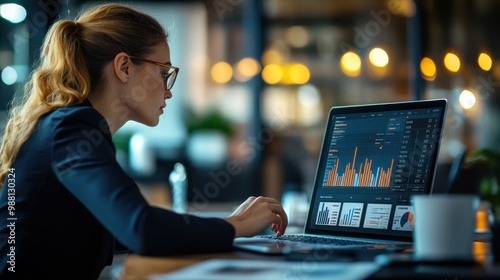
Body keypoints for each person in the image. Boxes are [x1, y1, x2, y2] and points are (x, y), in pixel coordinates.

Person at [0, 4, 287, 279]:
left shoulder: (67, 125)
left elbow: (116, 230)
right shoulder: (71, 128)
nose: (168, 91)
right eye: (164, 74)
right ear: (124, 66)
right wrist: (235, 224)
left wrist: (223, 223)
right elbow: (141, 228)